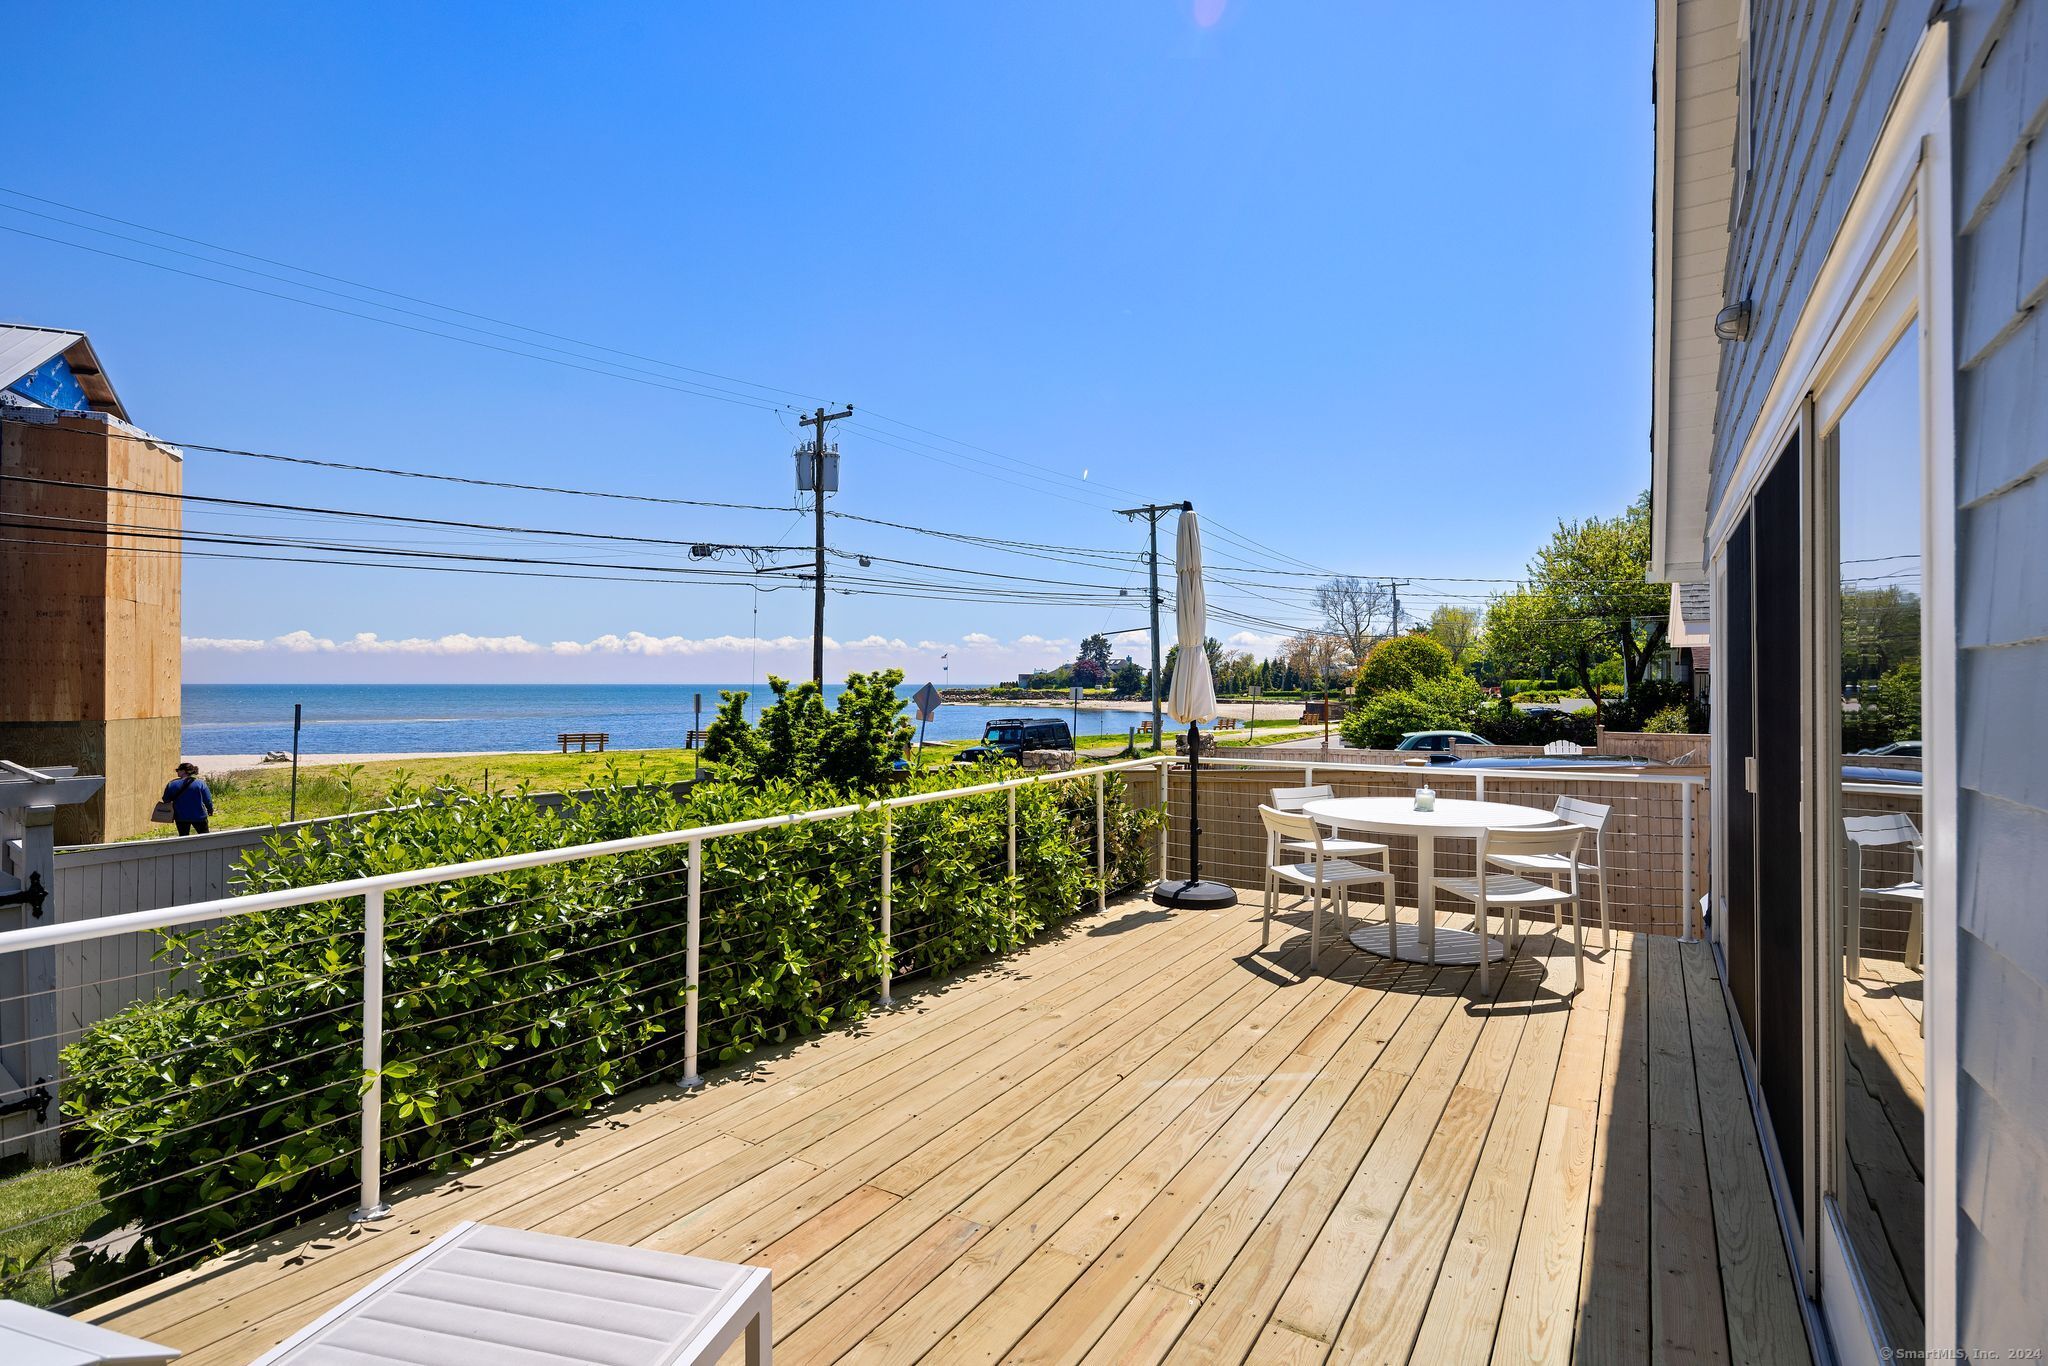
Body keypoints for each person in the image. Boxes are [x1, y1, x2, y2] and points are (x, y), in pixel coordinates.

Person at [163, 762, 214, 836]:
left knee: (183, 838)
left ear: (183, 771)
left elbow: (166, 799)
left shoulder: (172, 784)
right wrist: (210, 809)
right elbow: (207, 799)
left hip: (181, 816)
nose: (177, 772)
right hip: (199, 815)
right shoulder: (200, 783)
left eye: (178, 770)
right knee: (205, 837)